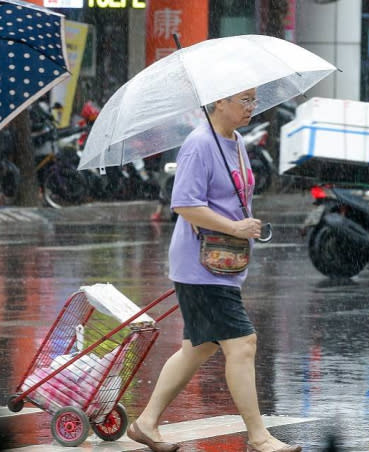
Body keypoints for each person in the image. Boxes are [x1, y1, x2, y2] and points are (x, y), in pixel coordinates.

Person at [127, 89, 300, 452]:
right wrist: (234, 227)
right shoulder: (200, 143)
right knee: (243, 343)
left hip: (224, 262)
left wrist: (242, 226)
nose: (252, 107)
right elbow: (184, 204)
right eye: (245, 100)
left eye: (254, 99)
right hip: (199, 264)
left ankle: (145, 423)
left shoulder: (235, 141)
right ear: (219, 101)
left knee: (198, 348)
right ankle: (258, 436)